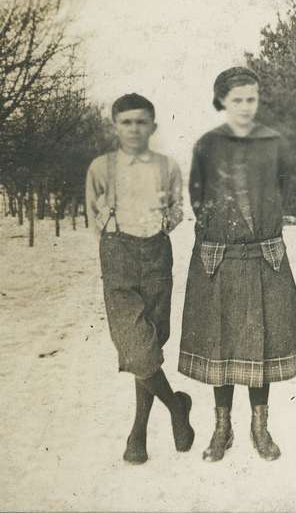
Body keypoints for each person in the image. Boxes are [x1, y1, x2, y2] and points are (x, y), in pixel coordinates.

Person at [178, 67, 296, 462]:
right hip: (221, 256)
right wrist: (223, 231)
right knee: (221, 344)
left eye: (251, 99)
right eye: (237, 100)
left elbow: (285, 188)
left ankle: (260, 427)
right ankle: (222, 428)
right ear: (222, 102)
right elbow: (198, 198)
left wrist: (262, 224)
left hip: (264, 255)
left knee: (261, 342)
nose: (246, 107)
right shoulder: (207, 145)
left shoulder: (275, 143)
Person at [86, 93, 194, 464]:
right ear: (115, 126)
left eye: (141, 122)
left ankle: (139, 433)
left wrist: (168, 220)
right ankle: (177, 408)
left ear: (153, 126)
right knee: (136, 347)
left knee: (150, 343)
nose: (134, 128)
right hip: (118, 256)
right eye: (126, 122)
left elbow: (178, 209)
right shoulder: (101, 167)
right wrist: (113, 237)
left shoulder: (167, 166)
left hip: (156, 257)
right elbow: (92, 213)